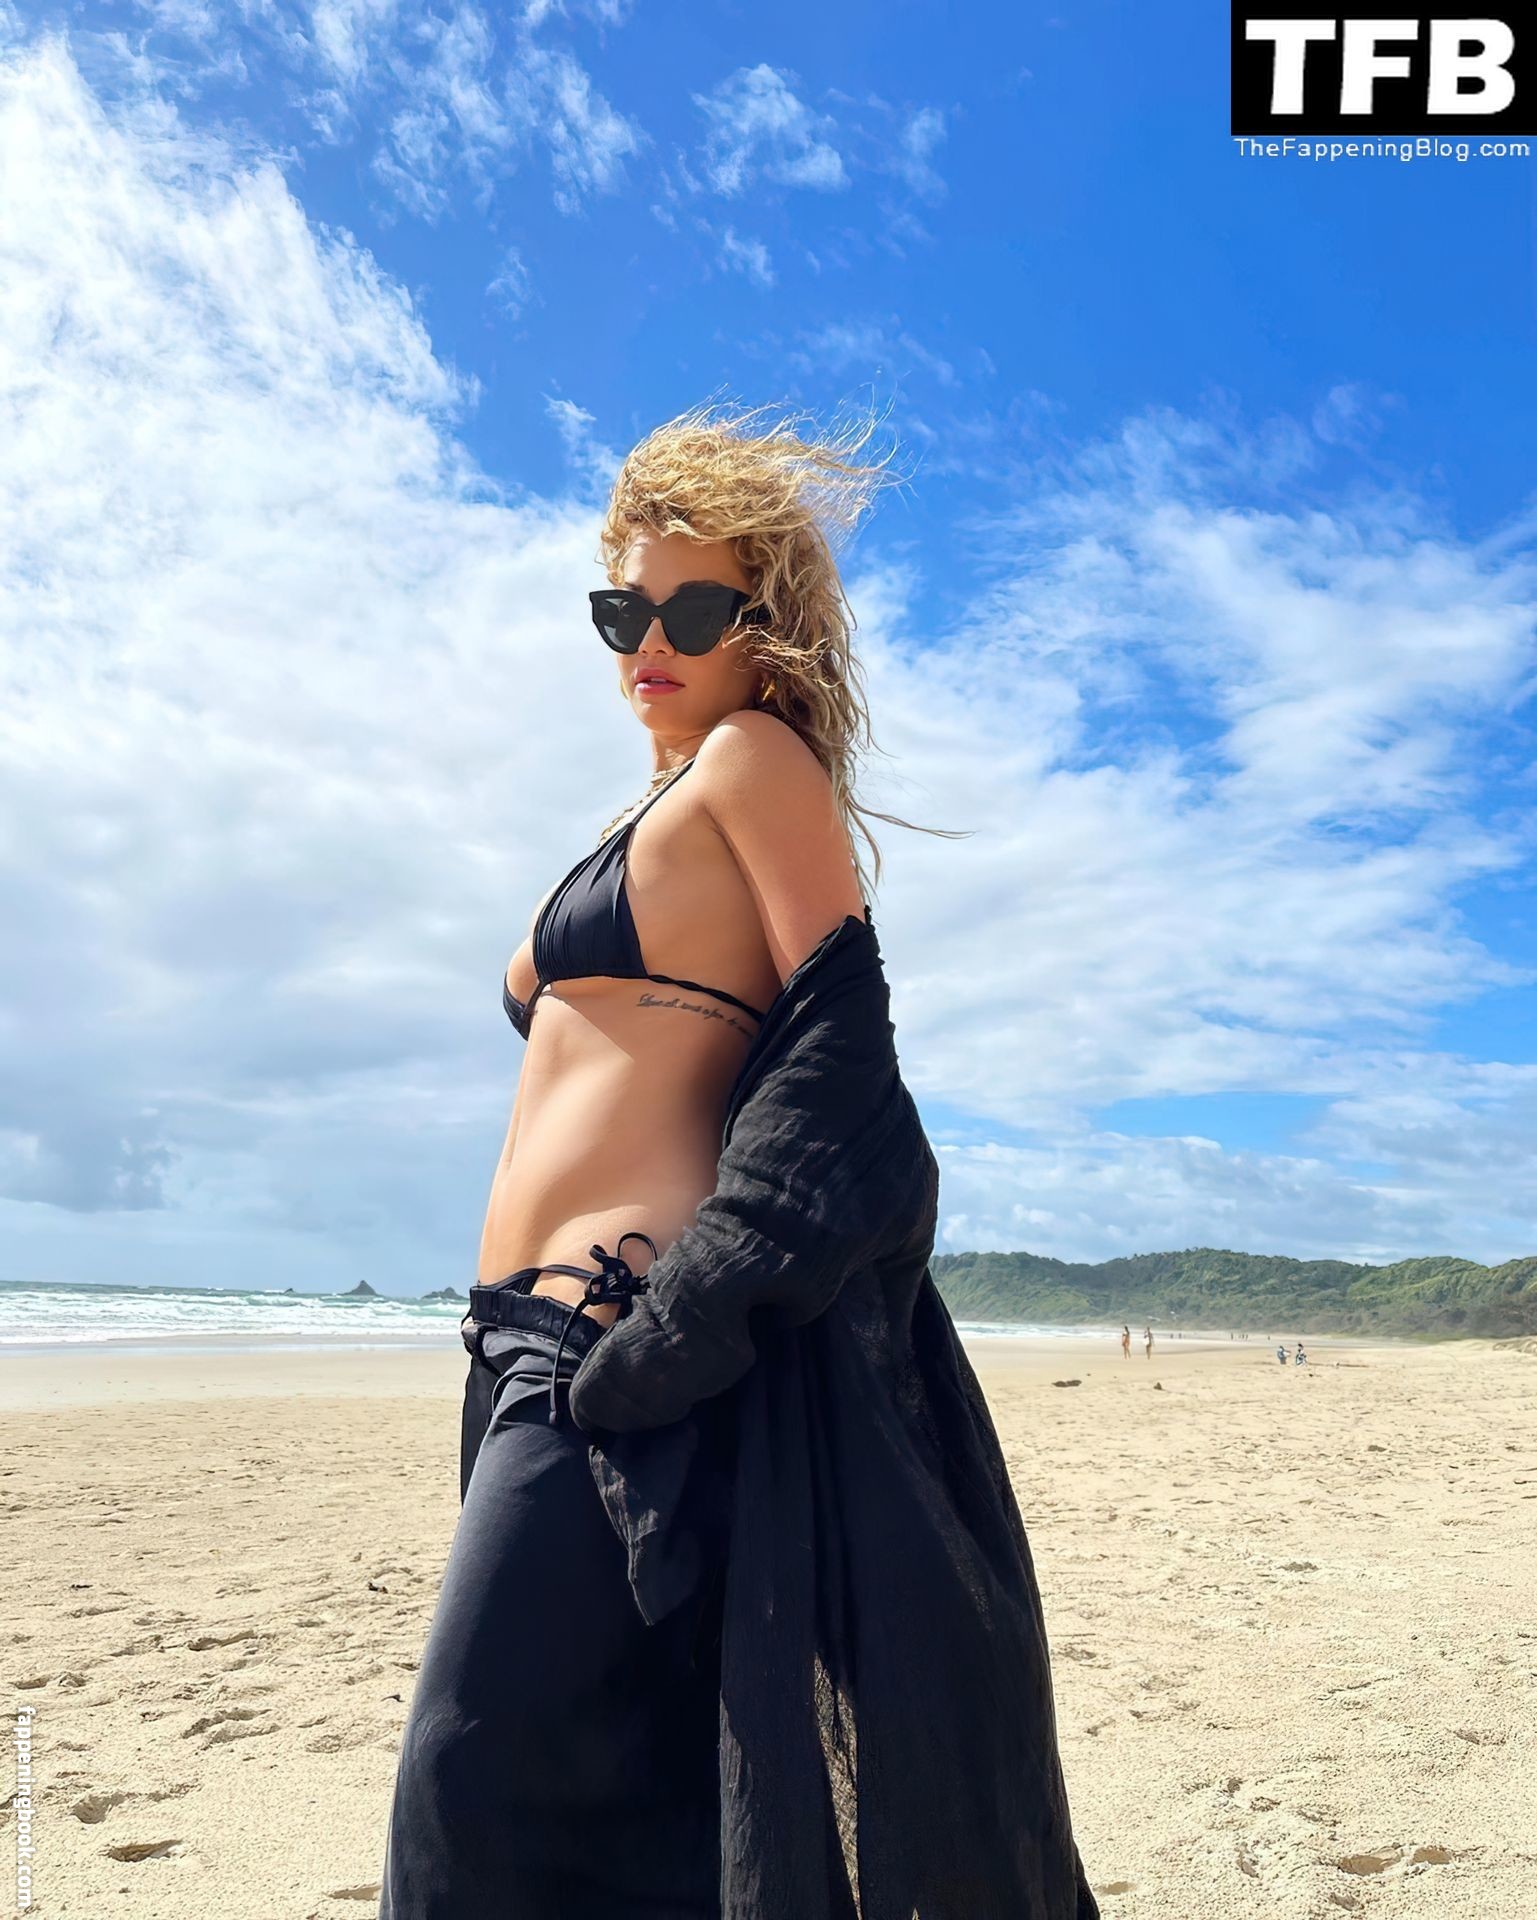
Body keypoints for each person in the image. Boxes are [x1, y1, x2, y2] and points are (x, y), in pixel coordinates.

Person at [378, 401, 1099, 1920]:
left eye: (693, 610)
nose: (651, 638)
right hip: (515, 1343)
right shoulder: (659, 798)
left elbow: (844, 1056)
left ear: (764, 628)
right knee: (602, 1785)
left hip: (611, 1331)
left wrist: (690, 1316)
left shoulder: (753, 757)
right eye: (622, 610)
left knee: (464, 1784)